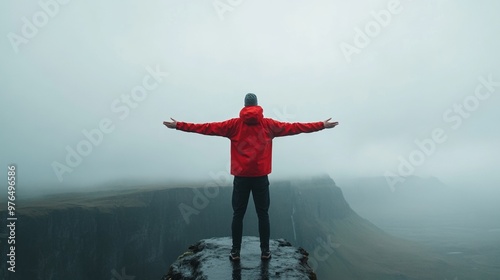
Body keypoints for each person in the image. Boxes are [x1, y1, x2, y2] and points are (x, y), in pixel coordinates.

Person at [163, 93, 339, 261]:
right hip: (261, 178)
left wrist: (179, 125)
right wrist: (321, 124)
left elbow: (207, 128)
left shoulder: (233, 125)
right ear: (256, 105)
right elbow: (295, 127)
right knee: (263, 214)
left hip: (241, 178)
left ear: (245, 105)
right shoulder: (268, 125)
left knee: (238, 214)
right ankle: (265, 251)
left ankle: (235, 252)